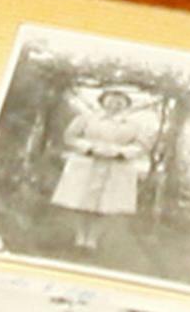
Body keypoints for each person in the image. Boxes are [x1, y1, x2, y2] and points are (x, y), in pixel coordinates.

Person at [47, 84, 159, 250]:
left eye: (120, 101)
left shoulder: (133, 125)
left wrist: (121, 152)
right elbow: (70, 137)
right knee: (80, 200)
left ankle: (92, 238)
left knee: (106, 204)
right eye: (111, 100)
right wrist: (89, 147)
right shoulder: (86, 118)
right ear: (103, 101)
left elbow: (143, 145)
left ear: (127, 104)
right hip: (87, 162)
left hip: (116, 166)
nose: (115, 104)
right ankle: (80, 236)